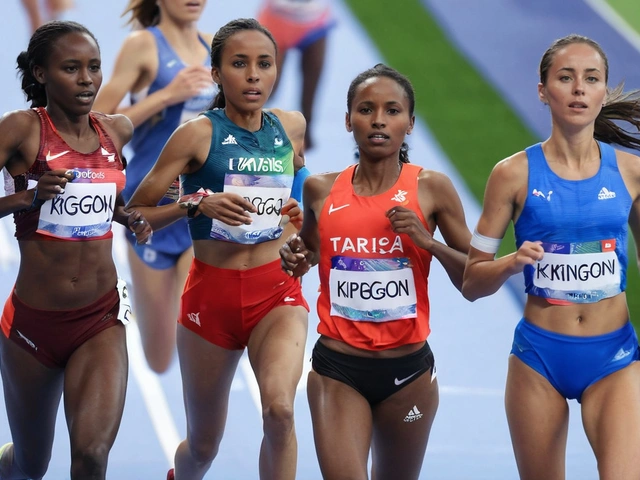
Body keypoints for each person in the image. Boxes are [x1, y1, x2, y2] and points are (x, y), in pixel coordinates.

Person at [125, 18, 309, 480]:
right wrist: (196, 203)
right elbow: (137, 213)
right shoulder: (196, 135)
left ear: (275, 71)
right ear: (216, 73)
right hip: (212, 299)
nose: (253, 75)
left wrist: (300, 219)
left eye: (264, 64)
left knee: (281, 413)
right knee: (203, 447)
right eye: (239, 64)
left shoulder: (291, 125)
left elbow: (298, 183)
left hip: (277, 294)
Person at [280, 64, 471, 480]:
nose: (379, 119)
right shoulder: (320, 189)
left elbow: (474, 280)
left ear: (410, 123)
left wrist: (428, 242)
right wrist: (297, 258)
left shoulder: (432, 189)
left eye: (392, 110)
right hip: (338, 369)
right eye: (366, 109)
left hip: (409, 375)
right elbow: (311, 250)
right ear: (349, 121)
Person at [462, 34, 640, 480]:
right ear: (543, 90)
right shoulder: (511, 174)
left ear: (602, 92)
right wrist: (511, 262)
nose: (579, 88)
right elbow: (471, 283)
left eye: (591, 78)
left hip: (614, 355)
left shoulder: (632, 174)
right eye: (566, 77)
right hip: (538, 358)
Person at [0, 20, 151, 479]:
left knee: (90, 455)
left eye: (94, 68)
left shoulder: (115, 131)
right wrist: (25, 197)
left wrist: (130, 216)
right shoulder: (22, 130)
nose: (87, 79)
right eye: (71, 68)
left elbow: (110, 201)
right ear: (42, 74)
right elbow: (30, 197)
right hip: (32, 326)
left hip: (99, 319)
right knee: (31, 465)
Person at [93, 0, 216, 373]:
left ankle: (202, 429)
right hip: (148, 207)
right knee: (160, 358)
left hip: (200, 205)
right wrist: (167, 95)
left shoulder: (216, 47)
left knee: (198, 335)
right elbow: (97, 122)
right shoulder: (143, 46)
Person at [257, 0, 335, 152]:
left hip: (315, 20)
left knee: (311, 89)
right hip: (276, 19)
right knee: (267, 86)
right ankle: (240, 127)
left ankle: (306, 131)